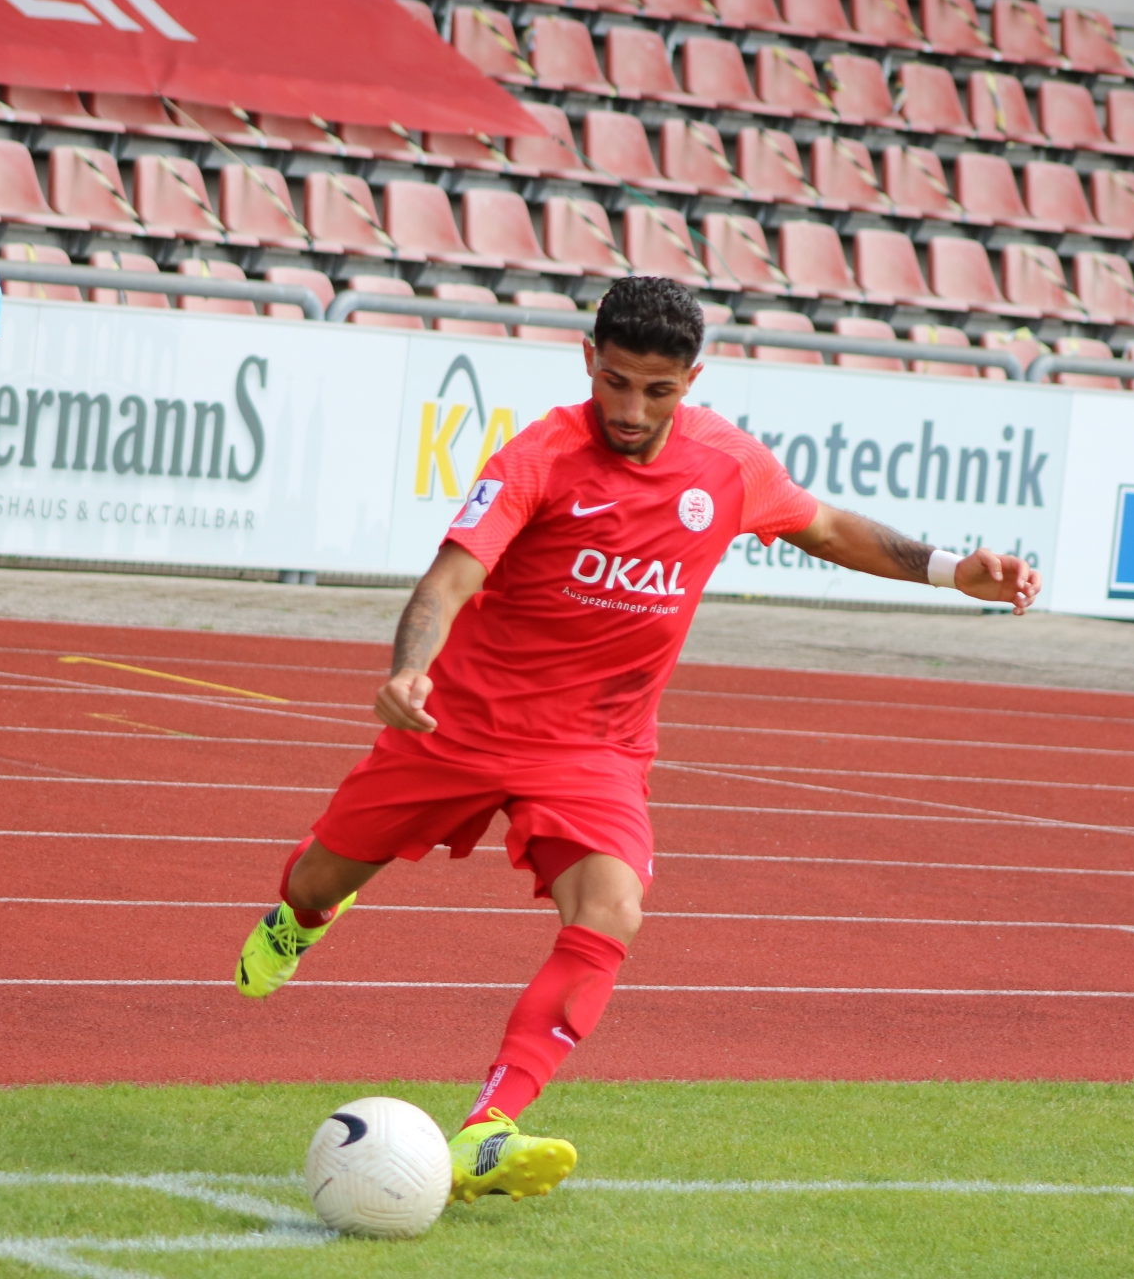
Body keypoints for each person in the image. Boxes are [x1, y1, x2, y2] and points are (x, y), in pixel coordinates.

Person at [234, 277, 1042, 1202]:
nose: (631, 410)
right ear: (589, 359)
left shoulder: (726, 464)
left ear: (691, 380)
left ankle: (489, 1128)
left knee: (612, 912)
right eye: (615, 382)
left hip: (597, 750)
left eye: (657, 391)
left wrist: (950, 570)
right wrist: (408, 670)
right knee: (316, 880)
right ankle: (302, 918)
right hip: (461, 722)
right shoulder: (538, 457)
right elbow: (449, 579)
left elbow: (821, 526)